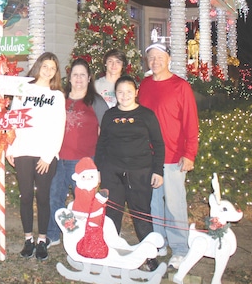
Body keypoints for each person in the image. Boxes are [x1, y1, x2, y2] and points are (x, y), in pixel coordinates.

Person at [94, 75, 165, 271]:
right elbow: (102, 145)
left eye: (128, 92)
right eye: (120, 92)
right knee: (111, 214)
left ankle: (150, 256)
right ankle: (108, 251)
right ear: (115, 94)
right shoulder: (109, 115)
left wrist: (158, 171)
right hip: (112, 172)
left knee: (141, 214)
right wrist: (98, 169)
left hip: (140, 173)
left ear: (136, 92)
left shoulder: (147, 115)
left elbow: (158, 144)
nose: (124, 96)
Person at [138, 42, 199, 270]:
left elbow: (191, 122)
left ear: (169, 59)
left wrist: (189, 153)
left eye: (159, 57)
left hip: (173, 156)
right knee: (154, 204)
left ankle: (181, 248)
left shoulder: (180, 86)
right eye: (151, 58)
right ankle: (159, 242)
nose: (155, 62)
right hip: (148, 157)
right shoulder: (144, 85)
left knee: (174, 205)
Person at [5, 52, 66, 261]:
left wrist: (48, 156)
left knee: (43, 198)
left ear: (56, 72)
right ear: (38, 66)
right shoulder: (23, 89)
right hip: (22, 151)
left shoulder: (57, 96)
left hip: (45, 155)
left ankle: (42, 240)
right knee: (26, 197)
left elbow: (60, 128)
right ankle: (28, 239)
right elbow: (13, 120)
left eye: (53, 68)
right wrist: (9, 149)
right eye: (45, 66)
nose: (48, 70)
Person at [46, 58, 108, 247]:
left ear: (89, 78)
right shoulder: (59, 98)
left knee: (84, 202)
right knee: (54, 197)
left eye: (83, 74)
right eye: (75, 75)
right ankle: (54, 234)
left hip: (83, 163)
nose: (79, 78)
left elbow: (105, 131)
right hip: (59, 159)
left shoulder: (95, 102)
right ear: (69, 78)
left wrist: (99, 162)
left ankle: (84, 237)